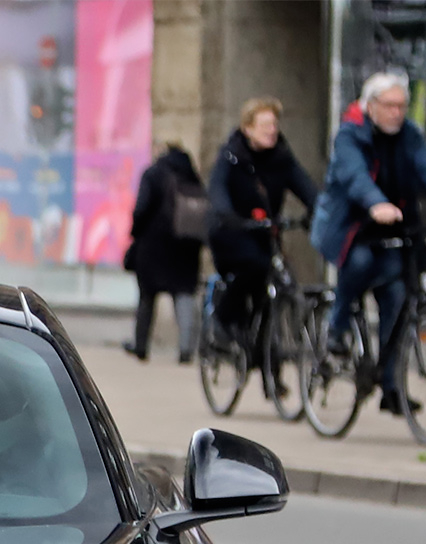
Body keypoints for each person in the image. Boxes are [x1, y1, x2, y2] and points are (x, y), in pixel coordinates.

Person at [310, 70, 426, 416]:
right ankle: (337, 328)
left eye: (402, 106)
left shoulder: (409, 135)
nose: (397, 113)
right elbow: (354, 175)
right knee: (359, 264)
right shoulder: (349, 134)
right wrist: (375, 203)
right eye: (389, 105)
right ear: (371, 105)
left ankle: (391, 388)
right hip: (351, 227)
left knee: (398, 298)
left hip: (392, 227)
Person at [206, 97, 319, 347]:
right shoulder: (231, 157)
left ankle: (270, 364)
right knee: (254, 267)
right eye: (265, 125)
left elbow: (305, 187)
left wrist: (318, 210)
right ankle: (223, 320)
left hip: (264, 233)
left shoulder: (282, 158)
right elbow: (218, 190)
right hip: (231, 233)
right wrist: (226, 213)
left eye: (274, 125)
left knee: (272, 281)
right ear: (248, 129)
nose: (271, 131)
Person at [124, 139, 206, 362]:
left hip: (154, 245)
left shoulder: (153, 173)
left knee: (147, 297)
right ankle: (186, 349)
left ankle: (141, 347)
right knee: (184, 296)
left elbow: (141, 208)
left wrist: (134, 233)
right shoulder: (192, 175)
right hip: (187, 247)